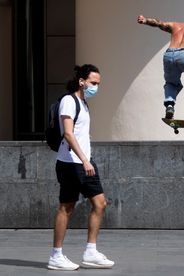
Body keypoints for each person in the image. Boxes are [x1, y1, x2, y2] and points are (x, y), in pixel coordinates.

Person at [47, 64, 114, 270]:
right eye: (93, 83)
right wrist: (85, 160)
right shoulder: (69, 101)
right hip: (73, 163)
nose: (96, 87)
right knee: (68, 207)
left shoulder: (83, 103)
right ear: (81, 81)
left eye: (98, 84)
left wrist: (86, 158)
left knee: (98, 204)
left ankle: (90, 252)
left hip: (81, 162)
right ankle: (57, 256)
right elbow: (68, 133)